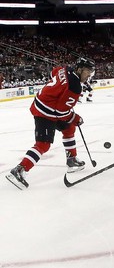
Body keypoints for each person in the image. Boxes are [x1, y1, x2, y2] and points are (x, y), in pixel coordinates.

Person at [6, 57, 96, 190]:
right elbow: (61, 112)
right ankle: (20, 169)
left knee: (69, 128)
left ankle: (71, 160)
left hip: (46, 105)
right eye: (88, 71)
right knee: (43, 144)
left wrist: (58, 93)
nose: (89, 75)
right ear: (79, 69)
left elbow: (53, 72)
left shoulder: (65, 69)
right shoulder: (74, 87)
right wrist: (75, 117)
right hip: (45, 112)